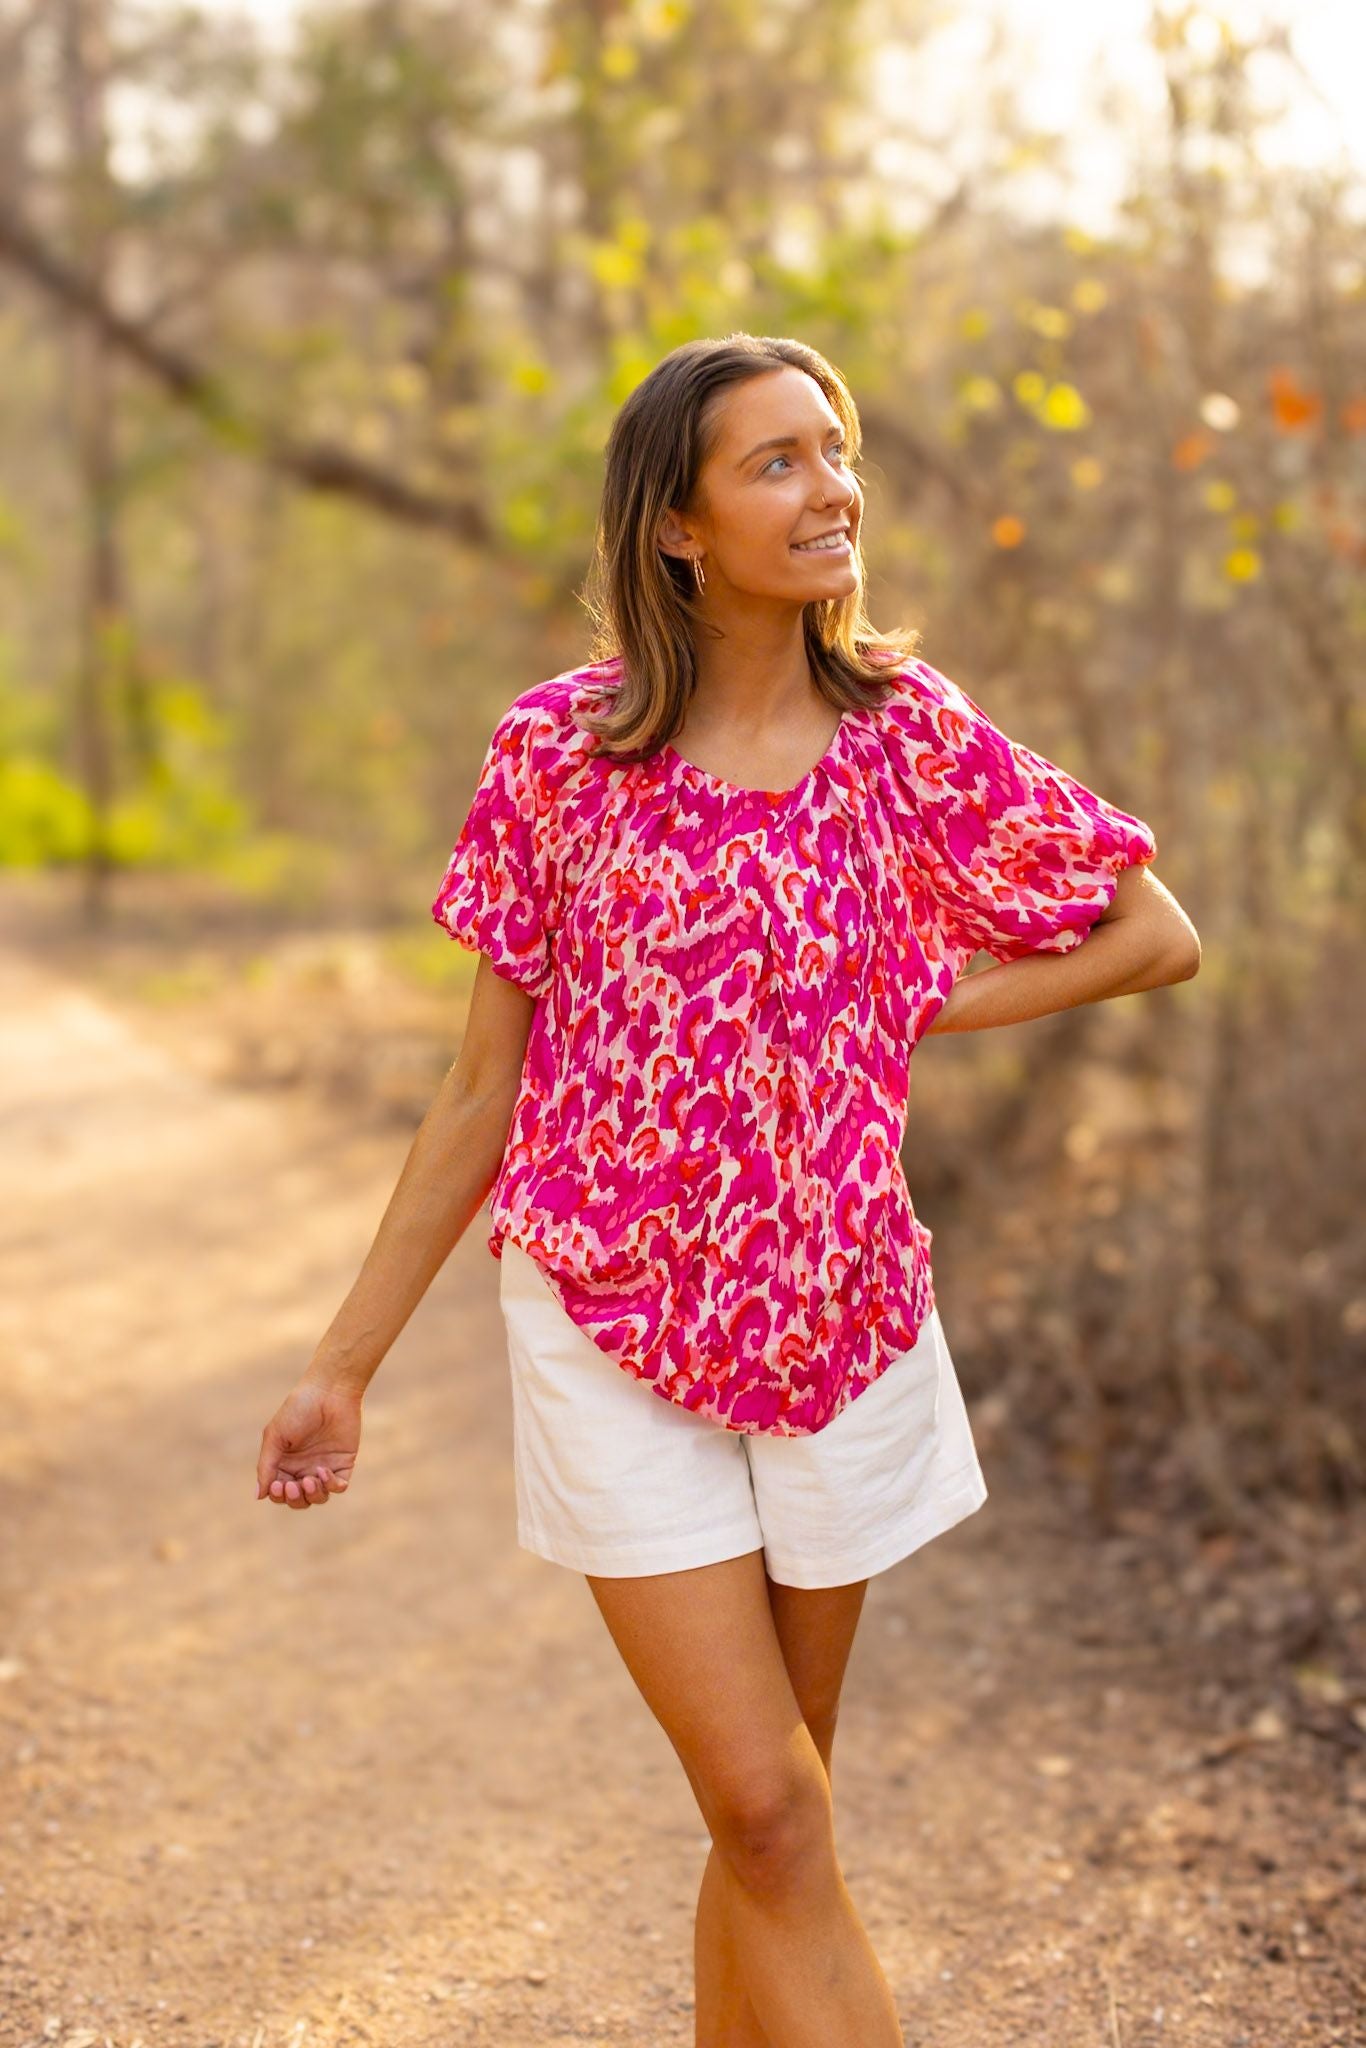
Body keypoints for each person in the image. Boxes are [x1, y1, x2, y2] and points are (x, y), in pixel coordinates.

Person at [255, 334, 1200, 2047]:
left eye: (832, 451)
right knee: (769, 1811)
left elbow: (1155, 933)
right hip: (609, 1316)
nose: (829, 487)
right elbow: (482, 1082)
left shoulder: (909, 741)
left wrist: (919, 988)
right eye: (774, 462)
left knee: (778, 1810)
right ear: (676, 527)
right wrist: (345, 1359)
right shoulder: (558, 756)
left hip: (837, 1316)